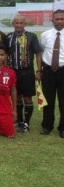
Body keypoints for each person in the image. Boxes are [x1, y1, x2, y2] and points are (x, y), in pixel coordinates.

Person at [6, 15, 42, 133]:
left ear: (24, 24)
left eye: (21, 23)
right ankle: (19, 121)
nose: (19, 25)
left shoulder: (32, 36)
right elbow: (6, 55)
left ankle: (27, 123)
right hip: (13, 71)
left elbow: (38, 53)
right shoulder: (9, 37)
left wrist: (39, 70)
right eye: (16, 23)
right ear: (13, 24)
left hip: (27, 71)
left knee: (27, 97)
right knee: (17, 96)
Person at [40, 9, 64, 137]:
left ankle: (63, 128)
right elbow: (43, 49)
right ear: (52, 20)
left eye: (62, 19)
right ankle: (47, 126)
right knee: (48, 100)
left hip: (63, 70)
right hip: (49, 70)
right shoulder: (45, 35)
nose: (59, 21)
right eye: (57, 19)